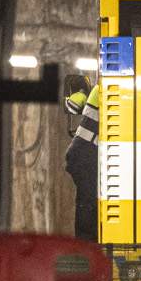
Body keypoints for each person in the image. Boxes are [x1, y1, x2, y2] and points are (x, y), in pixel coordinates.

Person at [62, 74, 97, 240]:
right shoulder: (98, 91)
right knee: (88, 204)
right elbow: (72, 105)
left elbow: (72, 107)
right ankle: (86, 245)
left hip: (84, 154)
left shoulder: (97, 91)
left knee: (88, 203)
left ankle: (88, 243)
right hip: (86, 154)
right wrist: (81, 93)